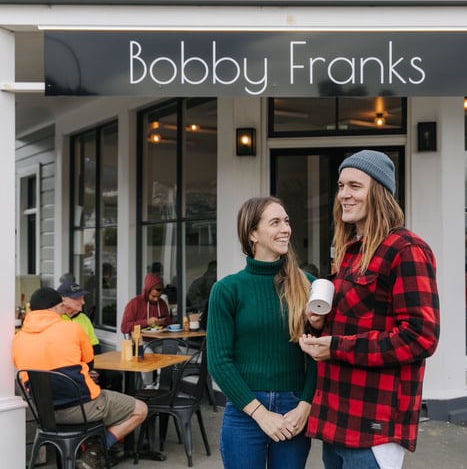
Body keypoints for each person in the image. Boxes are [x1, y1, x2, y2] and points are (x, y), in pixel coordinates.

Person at [299, 150, 440, 469]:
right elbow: (357, 321)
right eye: (340, 186)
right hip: (336, 421)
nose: (343, 195)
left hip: (374, 426)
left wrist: (336, 347)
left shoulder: (406, 249)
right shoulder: (351, 251)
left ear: (379, 192)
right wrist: (320, 324)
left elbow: (421, 337)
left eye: (354, 186)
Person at [207, 196, 316, 469]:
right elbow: (219, 361)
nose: (286, 229)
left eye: (287, 221)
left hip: (294, 410)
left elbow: (318, 353)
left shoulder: (308, 285)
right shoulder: (227, 290)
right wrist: (261, 414)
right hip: (245, 411)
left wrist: (306, 405)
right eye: (275, 222)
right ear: (252, 233)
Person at [12, 287, 148, 469]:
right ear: (52, 308)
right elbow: (90, 363)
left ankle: (87, 444)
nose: (63, 312)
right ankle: (95, 449)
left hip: (44, 414)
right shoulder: (72, 328)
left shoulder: (18, 338)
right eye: (61, 307)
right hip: (82, 409)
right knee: (140, 409)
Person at [58, 281, 121, 390]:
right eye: (77, 298)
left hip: (88, 364)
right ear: (64, 300)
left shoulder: (84, 319)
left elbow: (95, 348)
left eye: (82, 298)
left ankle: (108, 405)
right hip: (68, 368)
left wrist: (95, 370)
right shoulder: (56, 319)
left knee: (115, 376)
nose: (83, 302)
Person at [186, 260, 217, 329]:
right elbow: (192, 302)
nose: (213, 276)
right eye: (212, 273)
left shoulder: (218, 284)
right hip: (197, 317)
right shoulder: (198, 284)